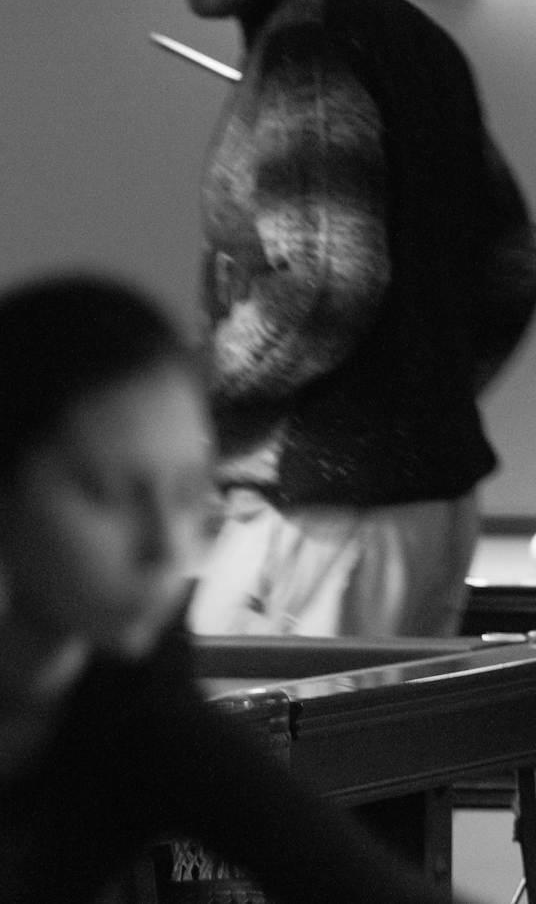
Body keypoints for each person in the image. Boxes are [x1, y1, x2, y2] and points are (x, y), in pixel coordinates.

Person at [160, 0, 536, 639]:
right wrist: (421, 401)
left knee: (227, 727)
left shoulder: (309, 45)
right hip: (427, 510)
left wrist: (177, 395)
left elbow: (324, 288)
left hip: (327, 516)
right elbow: (513, 269)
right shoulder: (413, 37)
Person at [0, 274, 462, 902]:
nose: (164, 547)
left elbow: (347, 881)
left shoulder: (131, 683)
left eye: (188, 493)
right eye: (109, 492)